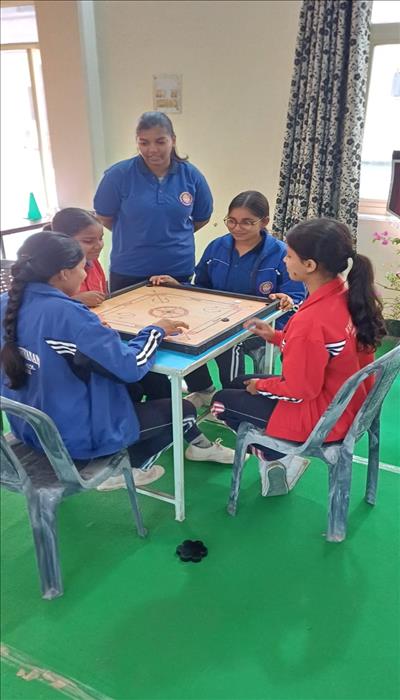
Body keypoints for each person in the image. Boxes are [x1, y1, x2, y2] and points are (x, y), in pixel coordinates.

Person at [0, 234, 237, 494]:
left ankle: (189, 446)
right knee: (184, 409)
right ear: (64, 273)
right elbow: (131, 366)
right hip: (74, 438)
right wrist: (155, 331)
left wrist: (96, 335)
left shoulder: (7, 303)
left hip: (27, 427)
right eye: (82, 267)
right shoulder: (69, 315)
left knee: (135, 389)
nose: (84, 274)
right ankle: (124, 468)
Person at [209, 218, 386, 496]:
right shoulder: (344, 293)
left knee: (220, 403)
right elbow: (322, 349)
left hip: (323, 418)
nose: (284, 260)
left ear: (310, 265)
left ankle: (275, 454)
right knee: (237, 383)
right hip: (349, 402)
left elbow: (301, 389)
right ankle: (277, 453)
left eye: (289, 256)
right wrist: (276, 336)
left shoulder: (311, 321)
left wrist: (262, 386)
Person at [150, 190, 306, 408]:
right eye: (231, 221)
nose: (237, 228)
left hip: (263, 326)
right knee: (182, 331)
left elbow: (297, 296)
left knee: (228, 344)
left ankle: (233, 398)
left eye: (246, 222)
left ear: (264, 222)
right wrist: (178, 286)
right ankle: (203, 388)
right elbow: (202, 288)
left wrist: (286, 299)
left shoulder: (280, 253)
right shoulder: (217, 247)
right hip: (217, 318)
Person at [93, 111, 213, 293]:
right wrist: (136, 233)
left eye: (160, 142)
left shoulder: (191, 175)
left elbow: (202, 217)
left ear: (173, 140)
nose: (152, 150)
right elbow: (104, 216)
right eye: (144, 143)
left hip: (177, 269)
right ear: (137, 142)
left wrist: (171, 233)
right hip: (129, 270)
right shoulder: (118, 175)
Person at [44, 208, 108, 308]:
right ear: (64, 241)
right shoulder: (52, 273)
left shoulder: (93, 261)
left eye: (100, 238)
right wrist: (75, 300)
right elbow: (44, 308)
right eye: (88, 241)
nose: (99, 245)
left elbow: (104, 296)